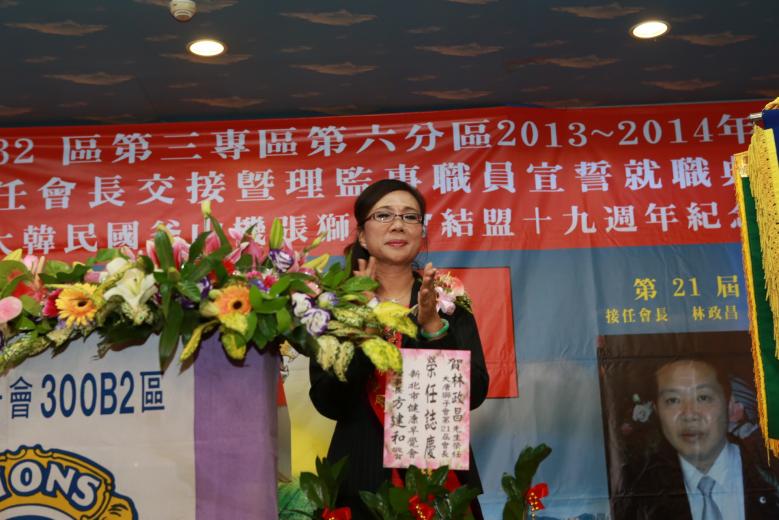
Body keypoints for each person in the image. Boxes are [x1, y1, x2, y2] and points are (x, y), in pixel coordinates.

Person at [308, 179, 490, 519]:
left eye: (409, 216)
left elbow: (474, 393)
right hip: (360, 482)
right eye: (383, 215)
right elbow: (327, 400)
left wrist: (433, 328)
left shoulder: (448, 301)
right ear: (362, 235)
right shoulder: (337, 307)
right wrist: (366, 332)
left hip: (439, 483)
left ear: (421, 232)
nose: (397, 224)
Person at [614, 356, 779, 520]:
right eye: (673, 400)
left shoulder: (770, 474)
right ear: (657, 412)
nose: (689, 414)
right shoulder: (635, 492)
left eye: (703, 398)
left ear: (729, 405)